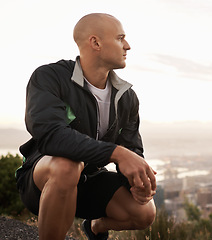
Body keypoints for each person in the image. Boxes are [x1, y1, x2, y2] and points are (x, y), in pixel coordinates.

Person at [15, 13, 157, 240]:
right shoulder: (50, 77)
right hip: (43, 180)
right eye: (121, 38)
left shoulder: (127, 97)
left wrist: (138, 182)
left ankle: (95, 227)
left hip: (89, 180)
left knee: (145, 213)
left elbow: (132, 151)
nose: (127, 46)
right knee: (67, 166)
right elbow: (51, 136)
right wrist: (116, 153)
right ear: (96, 43)